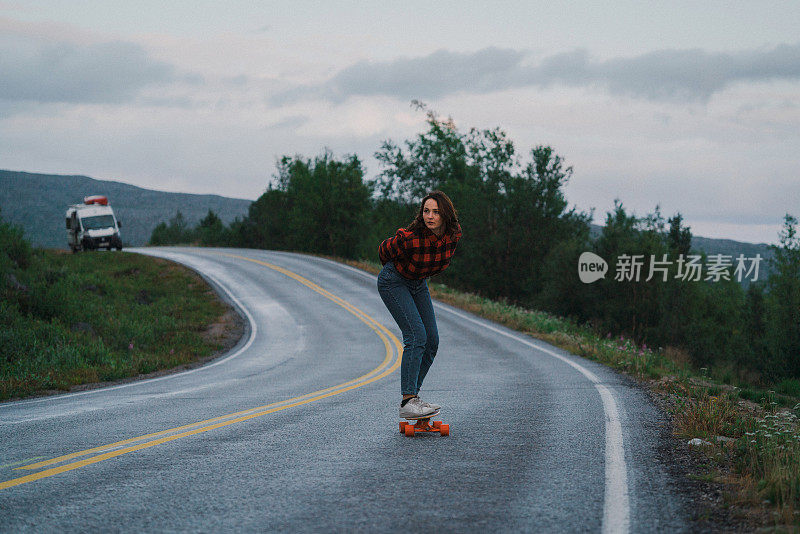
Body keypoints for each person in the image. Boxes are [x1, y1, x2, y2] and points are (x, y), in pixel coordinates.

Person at [377, 191, 462, 419]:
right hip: (393, 281)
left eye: (435, 212)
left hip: (418, 283)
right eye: (426, 211)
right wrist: (394, 269)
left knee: (432, 341)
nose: (430, 216)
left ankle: (413, 397)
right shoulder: (411, 237)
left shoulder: (453, 235)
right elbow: (383, 250)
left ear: (445, 215)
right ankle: (408, 400)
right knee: (416, 336)